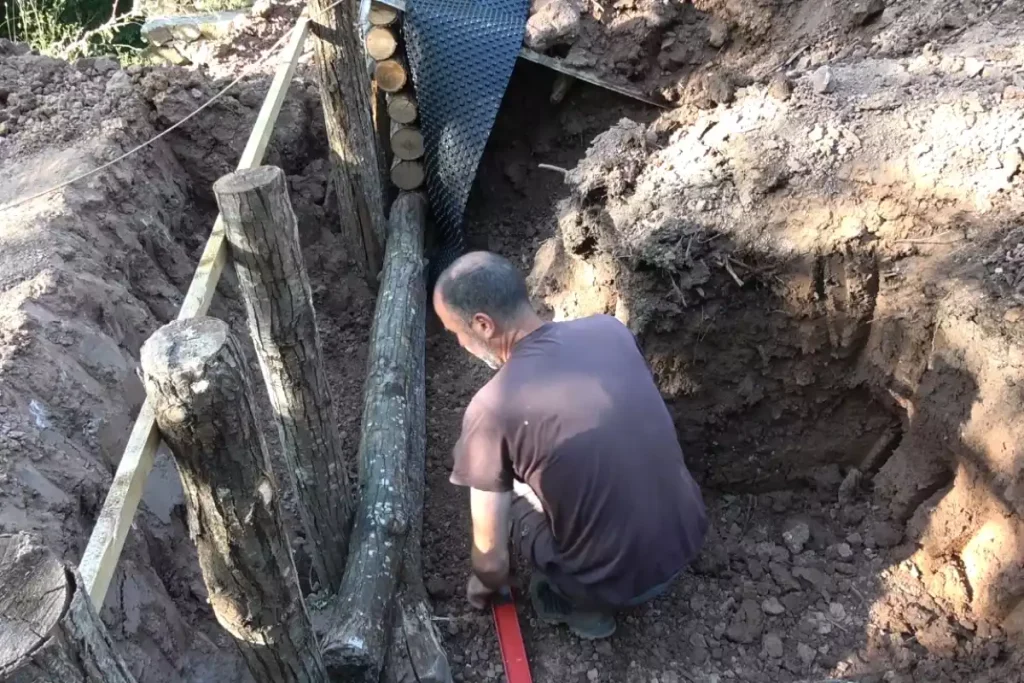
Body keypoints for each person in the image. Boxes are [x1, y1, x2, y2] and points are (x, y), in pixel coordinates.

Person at [432, 251, 708, 639]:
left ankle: (580, 609)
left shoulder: (491, 409)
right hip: (688, 538)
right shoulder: (609, 330)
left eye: (456, 332)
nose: (460, 343)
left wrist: (483, 585)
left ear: (482, 324)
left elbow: (492, 562)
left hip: (616, 585)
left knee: (504, 490)